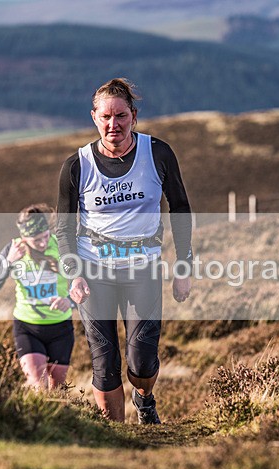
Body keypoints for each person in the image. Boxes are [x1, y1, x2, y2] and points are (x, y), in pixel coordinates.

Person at [56, 78, 193, 424]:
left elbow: (180, 208)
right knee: (104, 360)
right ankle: (115, 435)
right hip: (93, 270)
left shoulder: (157, 153)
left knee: (142, 361)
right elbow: (63, 227)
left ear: (133, 115)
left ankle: (145, 399)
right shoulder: (77, 165)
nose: (112, 125)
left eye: (120, 116)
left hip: (143, 268)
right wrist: (73, 274)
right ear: (94, 117)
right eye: (105, 117)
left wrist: (184, 265)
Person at [0, 204, 75, 389]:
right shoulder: (13, 249)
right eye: (36, 240)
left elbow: (84, 284)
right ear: (24, 238)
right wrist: (8, 262)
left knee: (57, 390)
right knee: (38, 385)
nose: (42, 243)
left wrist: (70, 301)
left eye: (45, 237)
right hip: (27, 328)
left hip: (61, 329)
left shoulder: (60, 245)